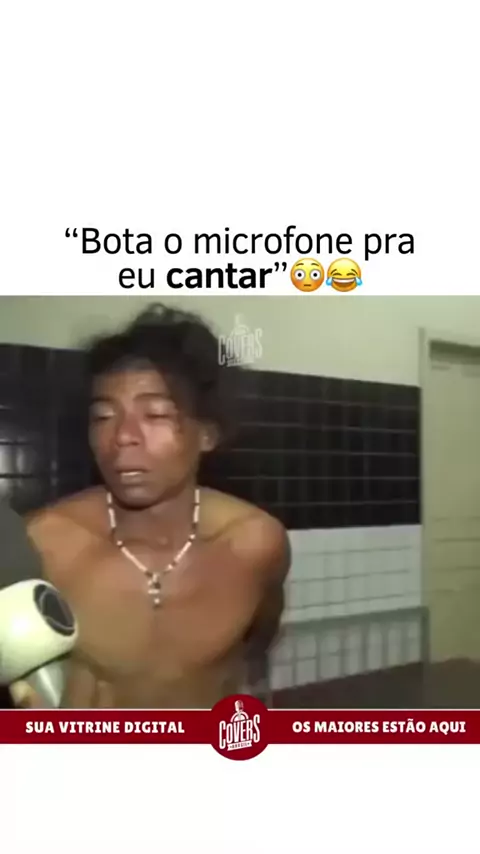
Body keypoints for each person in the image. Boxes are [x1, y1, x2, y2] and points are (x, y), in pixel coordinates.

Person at [17, 304, 290, 709]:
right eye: (103, 416)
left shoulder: (257, 545)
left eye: (156, 414)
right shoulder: (45, 543)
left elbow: (259, 640)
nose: (123, 436)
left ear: (207, 433)